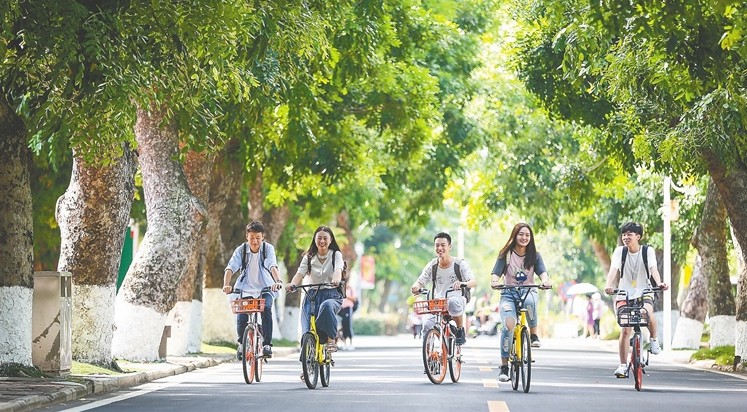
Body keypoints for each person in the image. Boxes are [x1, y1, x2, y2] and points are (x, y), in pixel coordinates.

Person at [604, 221, 668, 377]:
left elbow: (653, 269)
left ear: (638, 236)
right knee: (626, 329)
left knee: (647, 313)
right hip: (624, 293)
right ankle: (622, 365)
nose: (626, 237)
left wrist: (659, 283)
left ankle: (653, 340)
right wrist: (608, 285)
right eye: (624, 234)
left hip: (644, 290)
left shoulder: (648, 251)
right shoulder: (620, 252)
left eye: (629, 234)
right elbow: (613, 270)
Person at [490, 222, 552, 382]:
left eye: (527, 235)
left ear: (530, 238)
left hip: (528, 291)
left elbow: (543, 273)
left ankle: (533, 336)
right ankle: (504, 366)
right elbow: (495, 274)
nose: (524, 237)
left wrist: (545, 281)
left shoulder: (535, 256)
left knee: (530, 302)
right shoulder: (505, 254)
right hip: (508, 294)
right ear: (514, 235)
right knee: (508, 325)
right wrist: (495, 281)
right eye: (521, 234)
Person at [223, 221, 284, 359]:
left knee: (266, 308)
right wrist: (226, 284)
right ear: (247, 236)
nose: (255, 241)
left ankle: (267, 344)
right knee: (241, 316)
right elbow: (230, 267)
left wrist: (278, 281)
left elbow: (272, 265)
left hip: (266, 287)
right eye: (252, 238)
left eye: (258, 238)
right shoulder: (241, 250)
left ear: (263, 237)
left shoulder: (268, 249)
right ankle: (241, 344)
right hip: (246, 289)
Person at [410, 232, 476, 346]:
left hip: (457, 299)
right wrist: (416, 287)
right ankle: (429, 355)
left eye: (443, 245)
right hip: (438, 303)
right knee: (426, 325)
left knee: (453, 302)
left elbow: (473, 282)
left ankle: (460, 329)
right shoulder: (432, 265)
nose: (439, 248)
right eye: (437, 245)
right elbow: (421, 280)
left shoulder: (459, 264)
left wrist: (462, 283)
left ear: (449, 247)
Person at [285, 225, 344, 353]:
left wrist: (336, 279)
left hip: (331, 294)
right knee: (306, 331)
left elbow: (338, 270)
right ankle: (306, 368)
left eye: (325, 238)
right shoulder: (309, 257)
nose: (322, 241)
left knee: (327, 306)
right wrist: (292, 284)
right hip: (311, 296)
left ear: (331, 240)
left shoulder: (335, 255)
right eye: (319, 238)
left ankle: (330, 340)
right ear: (315, 239)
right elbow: (299, 274)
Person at [338, 283, 357, 350]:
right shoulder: (341, 288)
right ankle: (345, 343)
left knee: (348, 325)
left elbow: (354, 299)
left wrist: (347, 296)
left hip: (348, 308)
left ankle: (351, 343)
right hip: (342, 309)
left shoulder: (351, 289)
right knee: (343, 326)